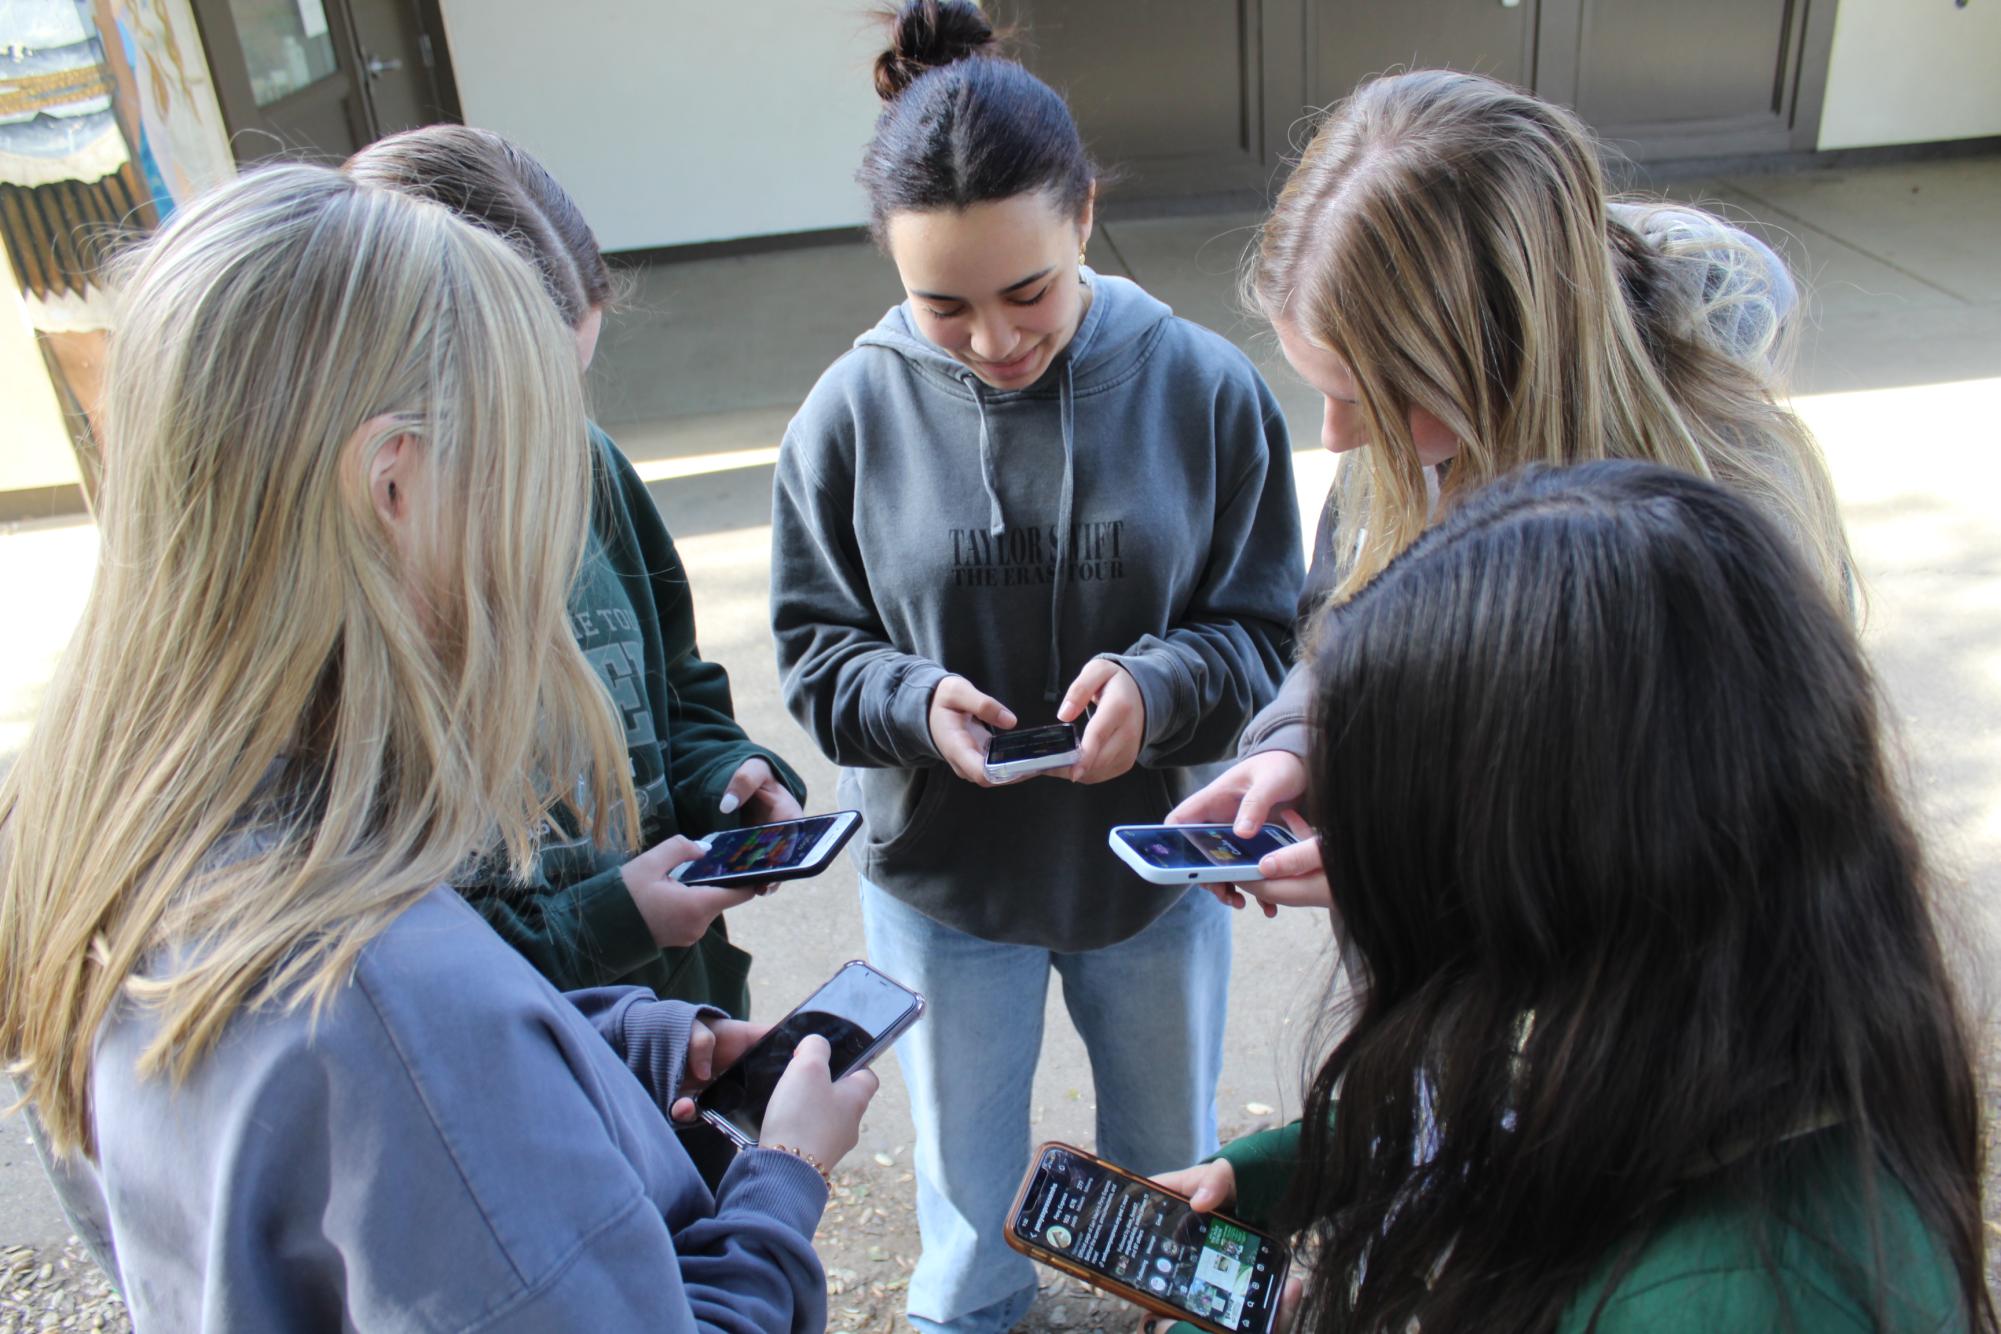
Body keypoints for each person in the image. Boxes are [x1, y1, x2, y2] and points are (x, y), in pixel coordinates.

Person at [0, 163, 874, 1329]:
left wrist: (622, 1040)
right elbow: (428, 1067)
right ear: (393, 485)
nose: (551, 534)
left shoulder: (99, 824)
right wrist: (781, 1183)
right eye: (530, 472)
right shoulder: (393, 1006)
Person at [1143, 462, 1990, 1334]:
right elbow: (1505, 1135)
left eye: (1390, 827)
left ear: (1544, 870)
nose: (1362, 868)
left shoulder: (1730, 1302)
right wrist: (1281, 1178)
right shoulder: (1707, 1045)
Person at [769, 3, 1304, 1328]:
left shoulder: (1203, 387)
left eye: (1028, 295)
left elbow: (1263, 630)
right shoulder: (847, 413)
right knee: (970, 1209)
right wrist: (909, 700)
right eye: (939, 304)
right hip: (945, 886)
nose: (995, 342)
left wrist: (1163, 688)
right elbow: (813, 649)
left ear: (1085, 217)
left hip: (1150, 873)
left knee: (1164, 1193)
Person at [1169, 70, 1854, 914]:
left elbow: (1692, 858)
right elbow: (1342, 622)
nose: (1337, 438)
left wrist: (1411, 859)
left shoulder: (1727, 521)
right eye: (1325, 387)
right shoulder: (1417, 434)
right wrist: (1305, 742)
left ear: (1499, 357)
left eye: (1370, 397)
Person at [345, 125, 807, 1018]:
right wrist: (612, 920)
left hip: (683, 1013)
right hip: (546, 1050)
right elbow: (425, 964)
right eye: (522, 406)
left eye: (572, 388)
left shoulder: (589, 466)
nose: (555, 439)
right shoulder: (365, 604)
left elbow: (675, 684)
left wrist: (724, 776)